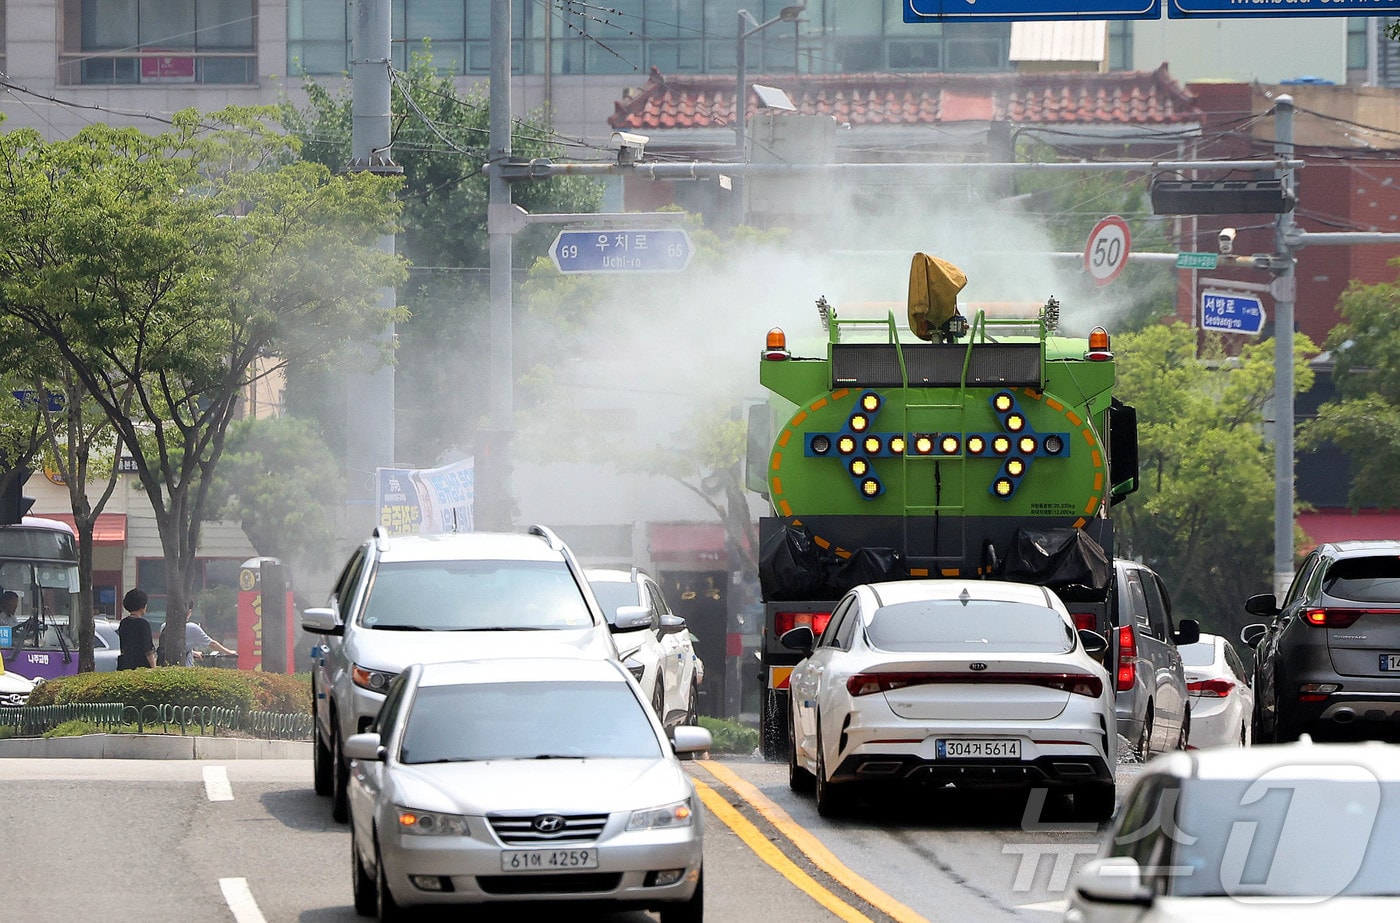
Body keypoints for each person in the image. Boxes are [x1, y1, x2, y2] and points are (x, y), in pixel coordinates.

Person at [183, 602, 236, 666]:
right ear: (189, 612)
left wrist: (192, 652)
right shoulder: (191, 628)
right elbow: (212, 644)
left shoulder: (168, 627)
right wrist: (229, 653)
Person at [117, 587, 156, 670]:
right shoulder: (144, 624)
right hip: (142, 667)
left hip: (126, 666)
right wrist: (154, 668)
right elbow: (148, 651)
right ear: (142, 606)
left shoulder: (123, 623)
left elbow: (123, 648)